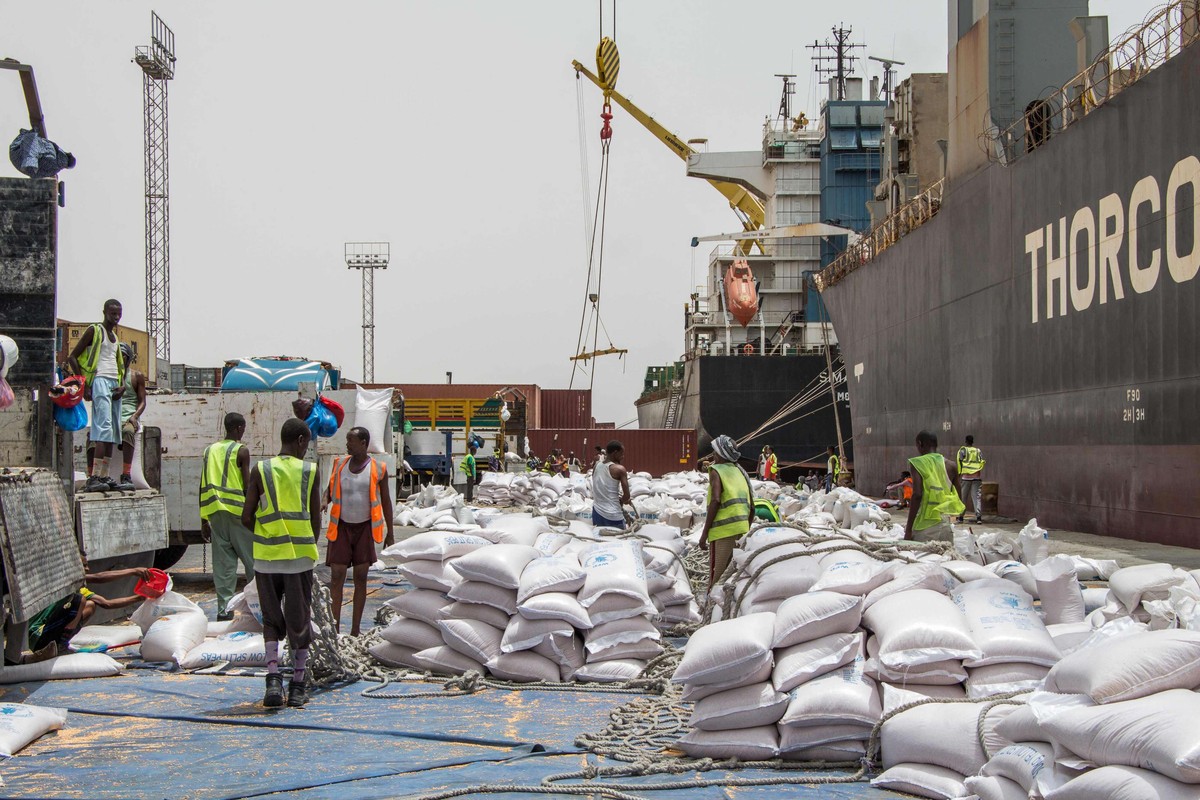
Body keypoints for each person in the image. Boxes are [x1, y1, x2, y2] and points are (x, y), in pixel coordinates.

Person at [241, 419, 320, 709]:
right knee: (300, 622)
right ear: (300, 440)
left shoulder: (260, 470)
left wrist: (266, 534)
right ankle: (297, 686)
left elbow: (246, 517)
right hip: (299, 560)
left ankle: (273, 681)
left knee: (272, 621)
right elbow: (315, 521)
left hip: (266, 558)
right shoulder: (310, 471)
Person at [324, 426, 394, 636]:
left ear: (363, 443)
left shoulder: (379, 468)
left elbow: (387, 502)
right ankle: (335, 628)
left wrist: (390, 532)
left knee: (361, 577)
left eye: (350, 440)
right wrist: (322, 500)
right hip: (341, 527)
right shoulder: (339, 464)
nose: (347, 444)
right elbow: (330, 488)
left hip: (364, 528)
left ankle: (355, 630)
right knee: (337, 576)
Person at [27, 564, 150, 657]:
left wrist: (140, 597)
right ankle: (61, 645)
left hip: (52, 634)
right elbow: (98, 578)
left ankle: (61, 644)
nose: (87, 568)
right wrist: (133, 571)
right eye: (83, 565)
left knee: (90, 605)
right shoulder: (62, 580)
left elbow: (107, 604)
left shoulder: (80, 589)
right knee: (79, 600)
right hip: (39, 636)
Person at [68, 299, 127, 492]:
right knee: (103, 430)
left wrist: (122, 385)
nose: (116, 317)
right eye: (113, 313)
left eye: (119, 313)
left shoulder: (115, 337)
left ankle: (104, 475)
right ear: (104, 312)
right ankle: (94, 477)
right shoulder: (96, 331)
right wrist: (83, 384)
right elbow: (72, 357)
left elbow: (120, 367)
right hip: (100, 380)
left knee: (112, 433)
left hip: (113, 385)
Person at [201, 412, 254, 621]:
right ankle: (255, 608)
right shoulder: (241, 451)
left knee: (223, 567)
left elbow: (202, 483)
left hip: (214, 513)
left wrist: (203, 519)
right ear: (240, 428)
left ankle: (224, 611)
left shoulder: (209, 450)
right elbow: (248, 486)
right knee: (253, 562)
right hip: (238, 513)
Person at [700, 435, 754, 588]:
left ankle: (711, 609)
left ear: (720, 454)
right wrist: (745, 529)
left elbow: (716, 500)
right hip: (741, 530)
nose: (713, 456)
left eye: (714, 452)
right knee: (734, 575)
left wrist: (704, 534)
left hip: (723, 532)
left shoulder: (716, 470)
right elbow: (752, 507)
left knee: (717, 578)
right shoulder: (741, 472)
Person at [904, 430, 965, 542]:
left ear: (920, 443)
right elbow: (958, 496)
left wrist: (908, 529)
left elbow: (917, 495)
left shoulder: (917, 463)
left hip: (924, 527)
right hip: (945, 526)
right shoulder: (951, 466)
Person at [114, 343, 147, 490]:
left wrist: (135, 416)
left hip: (129, 417)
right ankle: (94, 476)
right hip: (113, 417)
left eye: (123, 357)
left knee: (128, 432)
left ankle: (126, 475)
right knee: (92, 437)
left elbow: (142, 402)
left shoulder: (136, 376)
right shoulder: (110, 376)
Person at [591, 440, 631, 529]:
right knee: (618, 541)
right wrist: (621, 501)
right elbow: (627, 496)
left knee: (599, 540)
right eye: (621, 453)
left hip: (597, 512)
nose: (623, 457)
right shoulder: (620, 469)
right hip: (613, 515)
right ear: (615, 453)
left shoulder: (596, 466)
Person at [955, 435, 986, 524]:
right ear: (973, 442)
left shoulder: (963, 450)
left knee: (963, 498)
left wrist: (959, 474)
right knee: (976, 498)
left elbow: (959, 462)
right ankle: (979, 518)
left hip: (966, 478)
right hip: (977, 477)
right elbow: (981, 461)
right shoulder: (978, 451)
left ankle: (960, 517)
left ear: (965, 441)